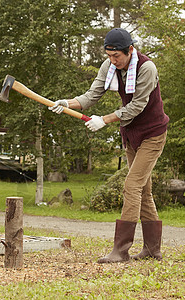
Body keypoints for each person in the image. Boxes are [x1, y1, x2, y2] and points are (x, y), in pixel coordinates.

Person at [49, 28, 169, 263]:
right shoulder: (110, 66)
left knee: (132, 186)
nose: (112, 61)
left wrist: (103, 120)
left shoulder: (147, 68)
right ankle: (153, 250)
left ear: (130, 50)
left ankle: (121, 250)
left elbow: (136, 107)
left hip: (153, 134)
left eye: (117, 57)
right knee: (143, 190)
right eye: (109, 56)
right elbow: (91, 95)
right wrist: (67, 103)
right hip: (131, 134)